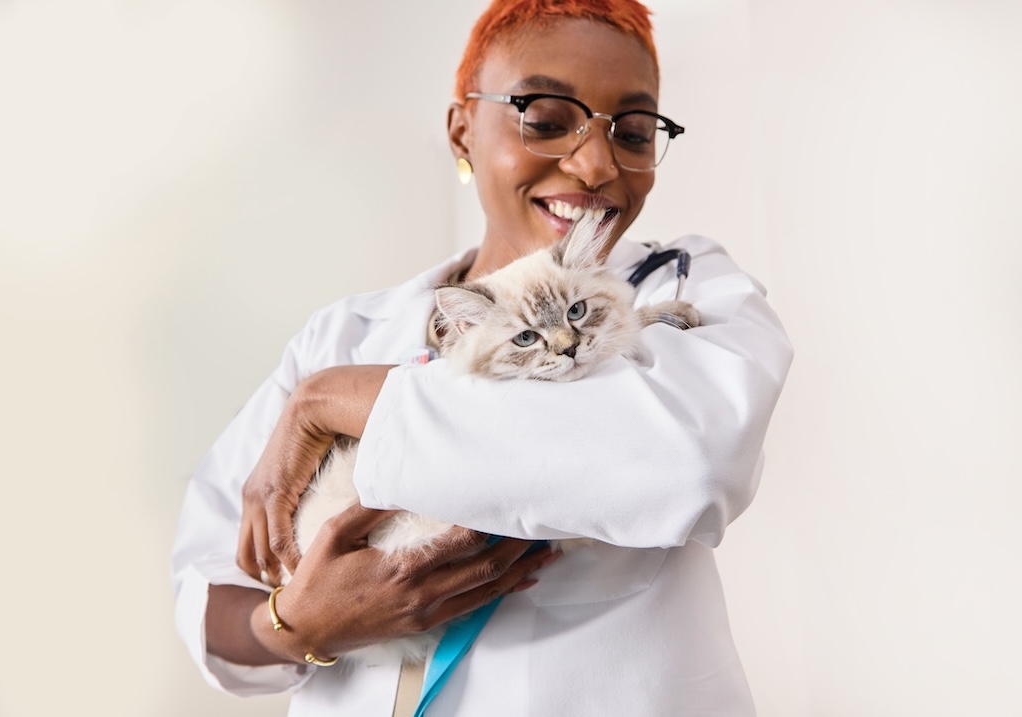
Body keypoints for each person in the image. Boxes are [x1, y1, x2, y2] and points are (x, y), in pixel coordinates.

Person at [171, 1, 794, 714]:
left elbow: (692, 461)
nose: (594, 163)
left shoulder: (692, 286)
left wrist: (334, 398)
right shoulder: (344, 333)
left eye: (632, 130)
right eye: (547, 118)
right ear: (462, 129)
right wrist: (299, 624)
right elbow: (213, 585)